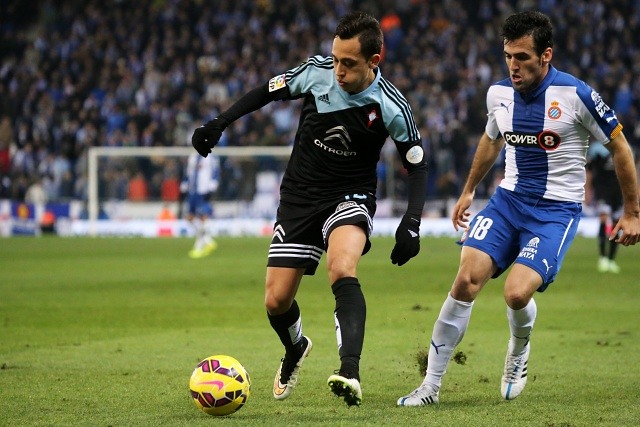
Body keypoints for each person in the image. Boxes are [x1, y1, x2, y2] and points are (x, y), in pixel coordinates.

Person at [397, 10, 640, 407]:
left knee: (514, 294)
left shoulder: (577, 96)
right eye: (508, 56)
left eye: (523, 57)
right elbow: (492, 140)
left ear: (546, 55)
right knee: (465, 281)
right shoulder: (498, 94)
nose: (513, 65)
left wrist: (632, 212)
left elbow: (620, 147)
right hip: (507, 202)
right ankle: (430, 386)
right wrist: (468, 190)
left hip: (555, 212)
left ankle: (519, 349)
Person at [192, 11, 427, 406]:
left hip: (349, 195)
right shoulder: (316, 73)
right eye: (335, 59)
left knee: (341, 267)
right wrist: (221, 121)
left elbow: (417, 163)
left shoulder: (391, 106)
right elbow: (267, 90)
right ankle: (296, 346)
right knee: (275, 301)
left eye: (348, 63)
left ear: (374, 62)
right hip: (300, 196)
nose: (337, 70)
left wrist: (413, 222)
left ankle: (349, 371)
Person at [586, 141, 623, 273]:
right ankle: (602, 258)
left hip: (618, 192)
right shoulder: (596, 149)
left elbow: (631, 170)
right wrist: (588, 190)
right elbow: (589, 171)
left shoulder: (622, 146)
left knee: (616, 223)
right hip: (602, 190)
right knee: (603, 219)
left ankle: (611, 260)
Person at [181, 152, 220, 259]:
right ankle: (208, 240)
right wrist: (185, 183)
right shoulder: (193, 156)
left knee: (203, 217)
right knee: (189, 218)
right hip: (192, 190)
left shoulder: (210, 156)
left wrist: (213, 185)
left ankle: (198, 247)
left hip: (203, 190)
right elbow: (188, 171)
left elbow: (215, 171)